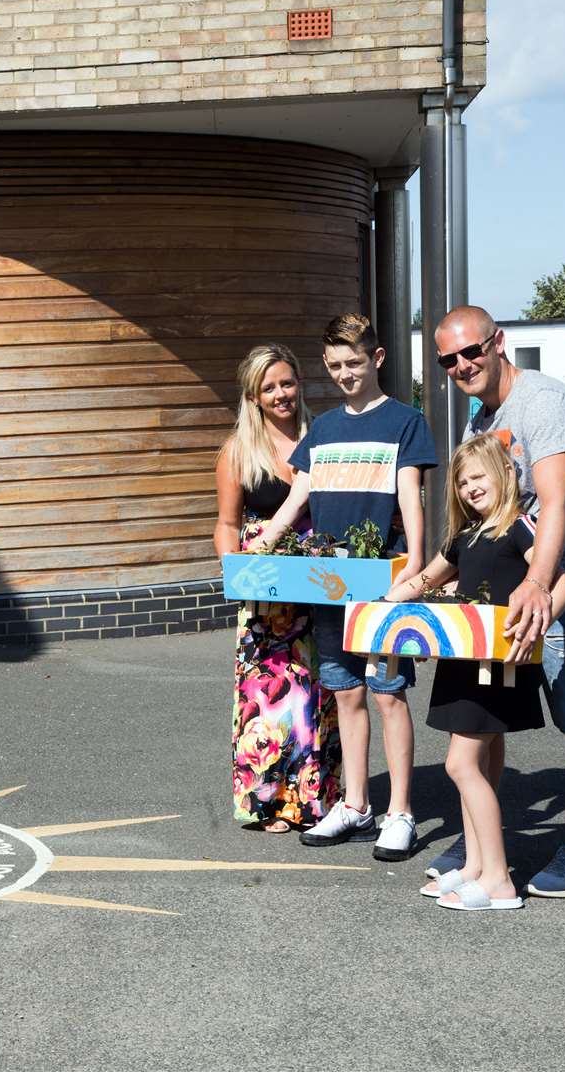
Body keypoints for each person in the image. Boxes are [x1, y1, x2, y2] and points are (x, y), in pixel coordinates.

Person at [434, 305, 565, 898]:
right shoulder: (479, 421)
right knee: (486, 716)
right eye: (449, 360)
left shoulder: (544, 403)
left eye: (472, 351)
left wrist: (539, 583)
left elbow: (556, 504)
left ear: (498, 343)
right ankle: (485, 848)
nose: (463, 365)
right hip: (506, 596)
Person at [254, 314, 436, 861]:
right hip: (329, 585)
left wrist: (417, 566)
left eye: (354, 363)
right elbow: (297, 498)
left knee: (387, 694)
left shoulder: (406, 422)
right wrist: (264, 543)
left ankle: (400, 810)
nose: (344, 374)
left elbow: (411, 498)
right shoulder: (324, 429)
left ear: (377, 359)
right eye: (334, 366)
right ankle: (356, 804)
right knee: (346, 691)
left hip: (382, 583)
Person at [385, 435, 565, 911]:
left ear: (507, 475)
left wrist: (538, 621)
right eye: (462, 480)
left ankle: (498, 880)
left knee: (460, 765)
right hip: (463, 665)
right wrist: (388, 603)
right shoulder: (464, 535)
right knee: (479, 765)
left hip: (499, 667)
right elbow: (427, 578)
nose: (470, 487)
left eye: (479, 476)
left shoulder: (518, 528)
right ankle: (473, 865)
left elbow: (563, 579)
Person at [214, 344, 341, 833]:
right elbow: (226, 524)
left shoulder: (323, 436)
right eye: (269, 387)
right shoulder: (237, 451)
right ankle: (269, 799)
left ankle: (313, 797)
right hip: (264, 577)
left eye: (287, 383)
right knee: (269, 694)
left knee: (318, 685)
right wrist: (235, 572)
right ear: (254, 396)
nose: (281, 393)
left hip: (318, 572)